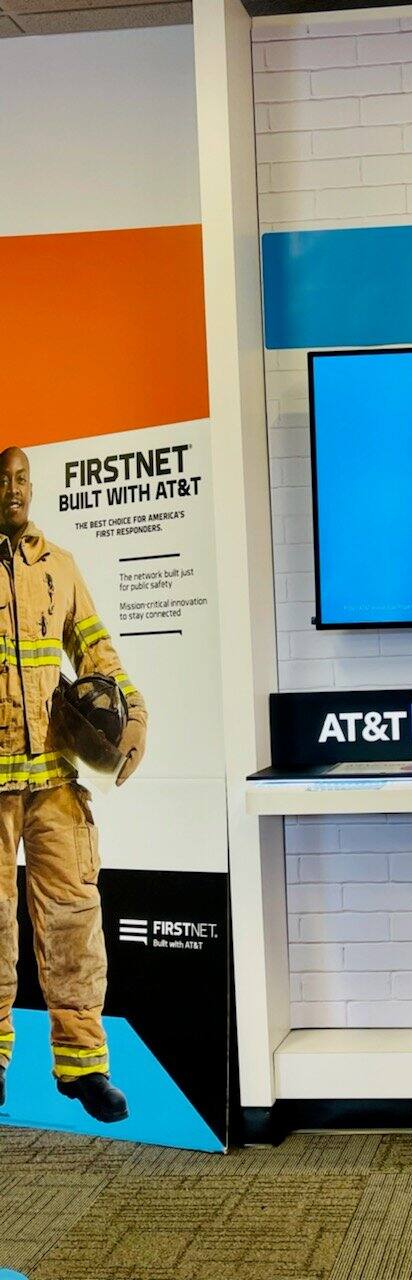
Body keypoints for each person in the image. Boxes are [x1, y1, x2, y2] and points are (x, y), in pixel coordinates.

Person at [0, 446, 146, 1123]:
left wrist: (132, 714)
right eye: (2, 480)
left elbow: (96, 650)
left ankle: (83, 1064)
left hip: (55, 778)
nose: (13, 490)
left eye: (22, 479)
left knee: (73, 919)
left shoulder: (58, 566)